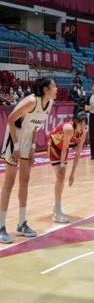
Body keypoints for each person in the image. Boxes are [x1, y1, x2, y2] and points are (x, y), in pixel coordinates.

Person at [0, 77, 57, 243]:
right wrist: (16, 147)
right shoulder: (32, 101)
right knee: (9, 182)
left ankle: (22, 224)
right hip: (14, 138)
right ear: (46, 89)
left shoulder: (49, 103)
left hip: (27, 139)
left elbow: (35, 127)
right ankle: (1, 226)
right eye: (54, 86)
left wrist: (32, 147)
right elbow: (11, 119)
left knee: (25, 180)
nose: (57, 89)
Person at [47, 110, 87, 223]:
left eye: (84, 124)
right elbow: (64, 149)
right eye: (80, 124)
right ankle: (57, 211)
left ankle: (57, 207)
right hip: (54, 146)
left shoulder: (84, 132)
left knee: (62, 177)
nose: (82, 127)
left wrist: (72, 174)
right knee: (60, 176)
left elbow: (77, 154)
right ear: (76, 122)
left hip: (63, 148)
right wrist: (62, 166)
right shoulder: (69, 128)